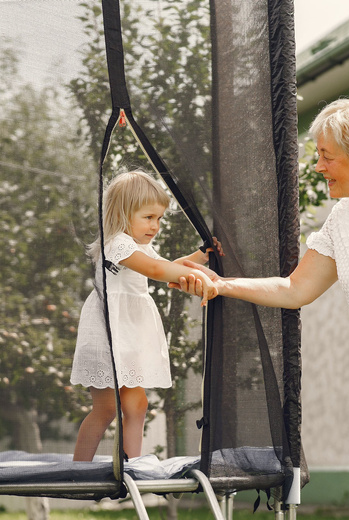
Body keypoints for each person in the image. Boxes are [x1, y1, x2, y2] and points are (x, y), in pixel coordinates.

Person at [70, 170, 222, 461]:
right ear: (123, 214)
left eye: (160, 218)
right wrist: (204, 277)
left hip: (127, 337)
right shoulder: (117, 244)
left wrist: (200, 256)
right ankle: (79, 470)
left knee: (136, 405)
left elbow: (166, 266)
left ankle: (131, 466)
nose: (156, 225)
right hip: (109, 335)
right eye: (149, 217)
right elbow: (156, 271)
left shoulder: (139, 247)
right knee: (105, 409)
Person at [171, 98, 349, 313]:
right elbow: (295, 289)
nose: (318, 167)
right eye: (318, 155)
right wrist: (220, 284)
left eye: (327, 156)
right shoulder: (341, 218)